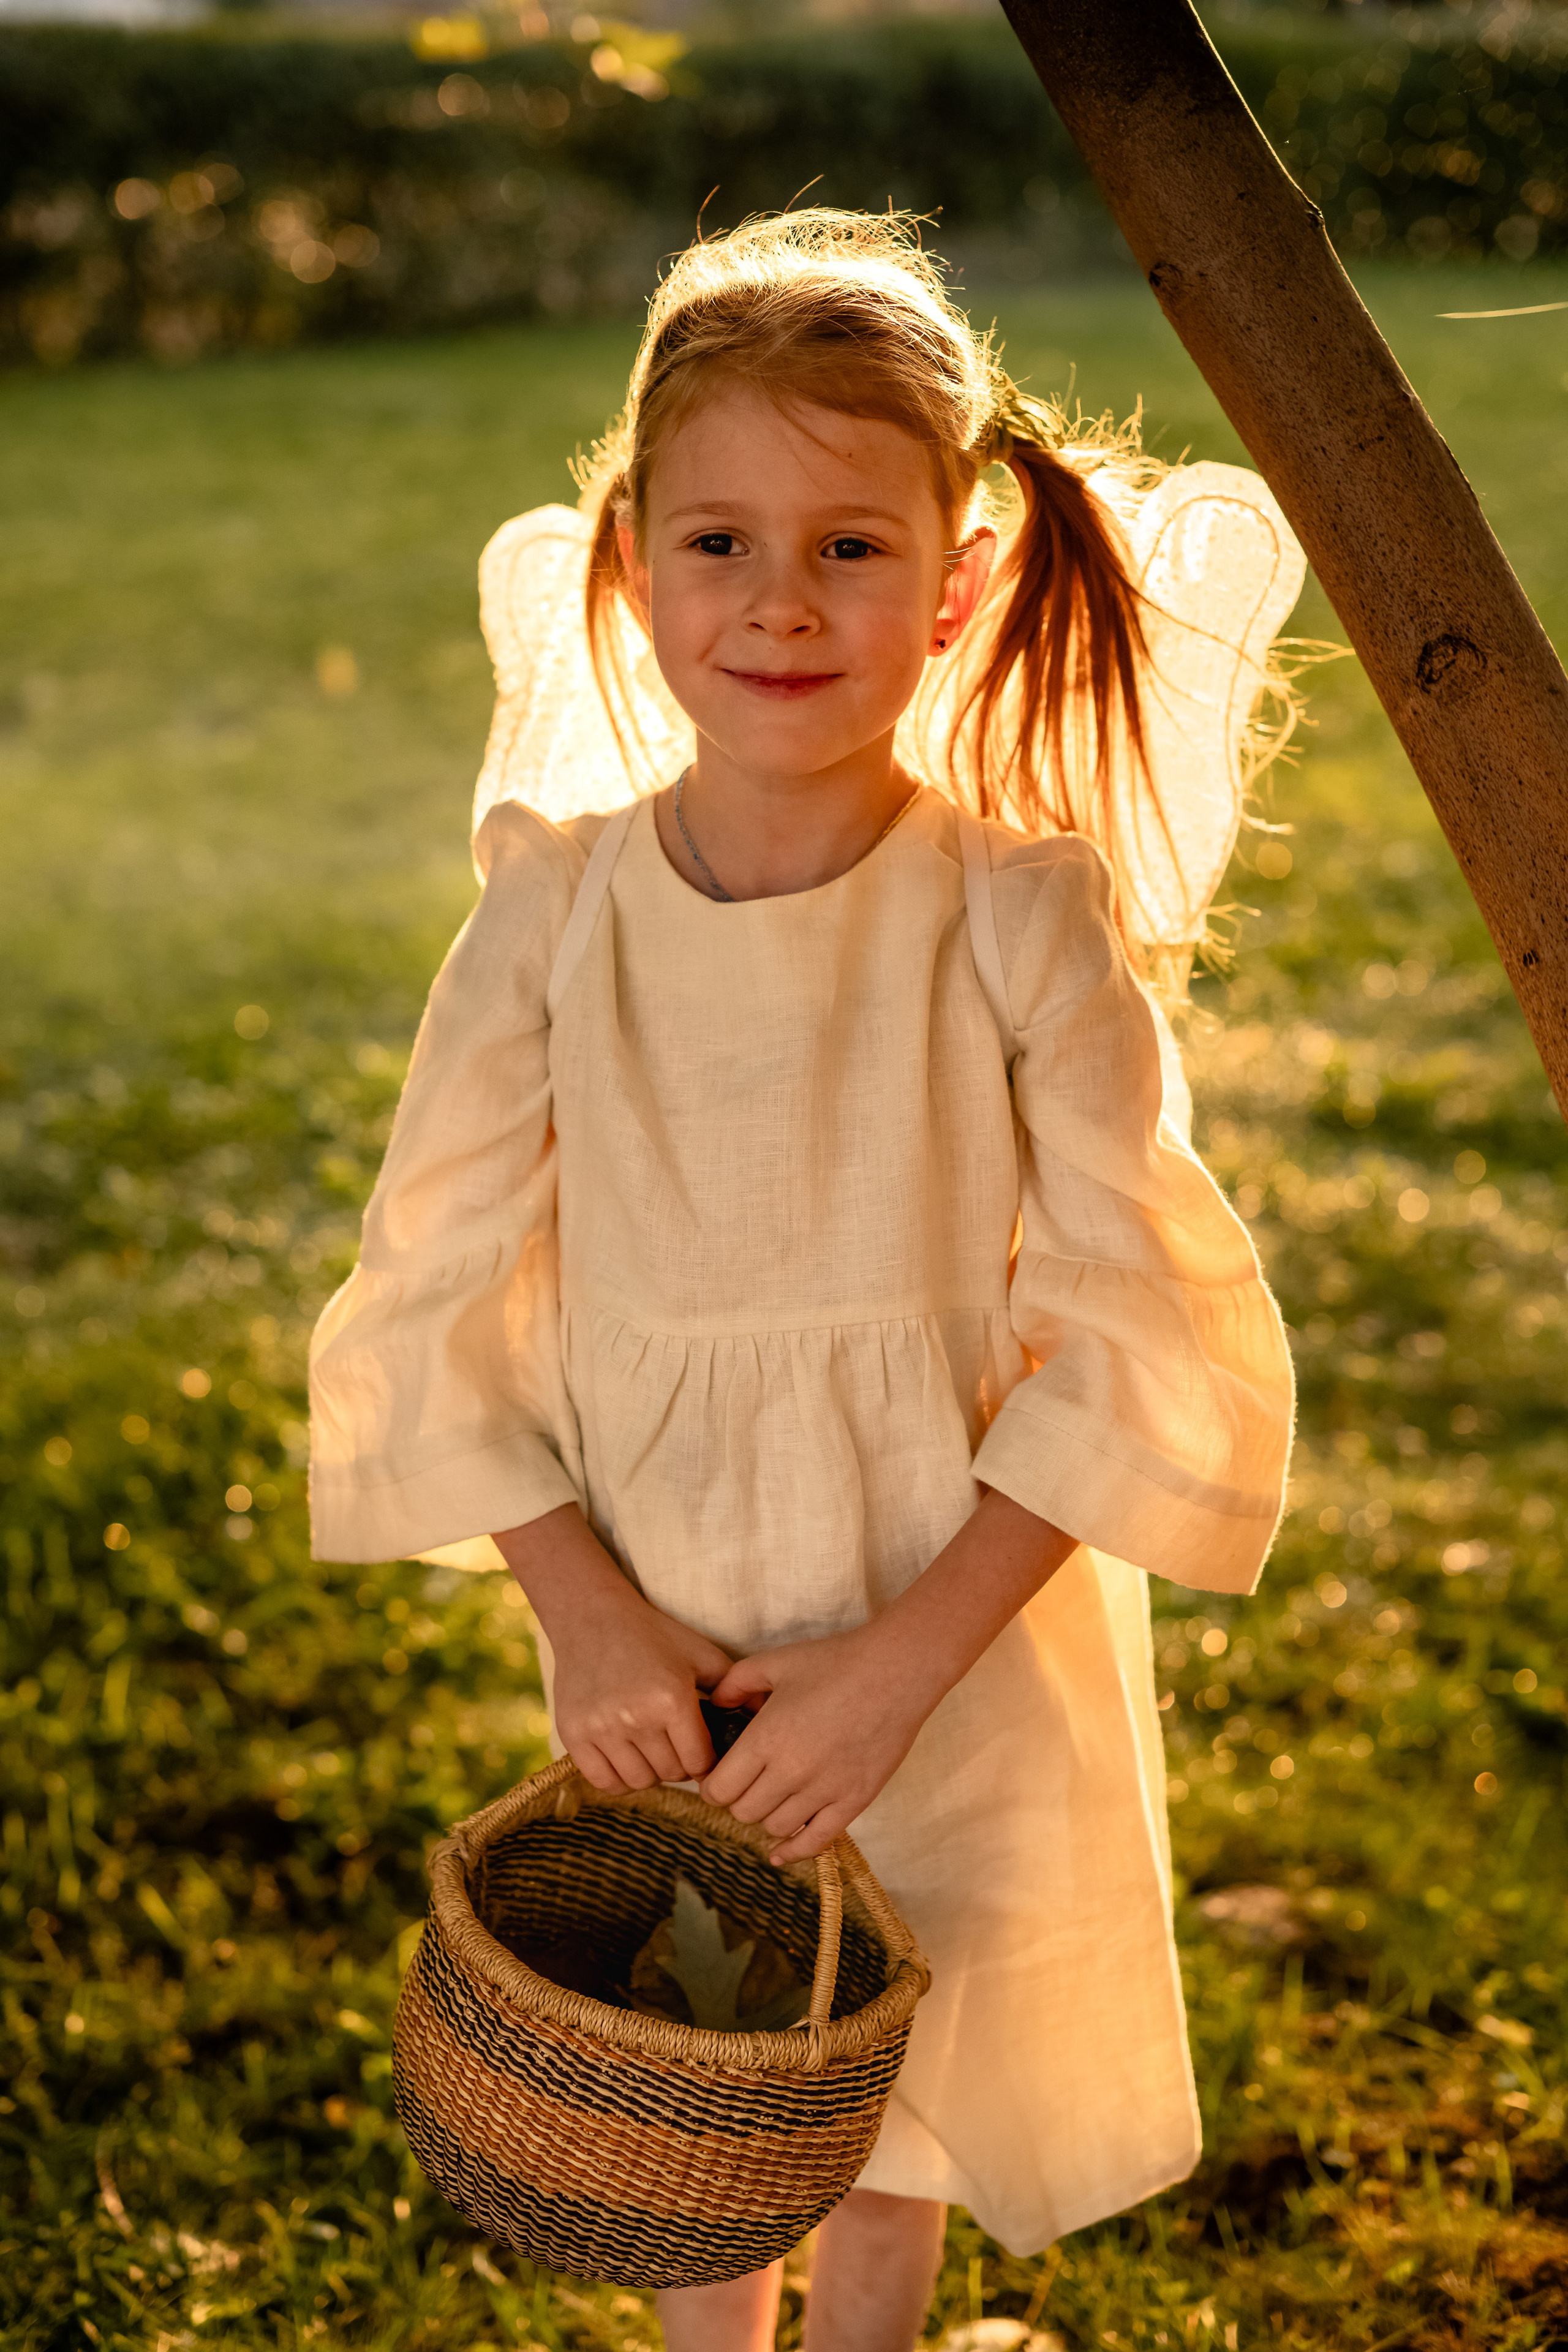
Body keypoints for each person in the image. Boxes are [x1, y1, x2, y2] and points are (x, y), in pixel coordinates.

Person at [309, 209, 1297, 2352]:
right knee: (702, 2046)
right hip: (667, 1611)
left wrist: (904, 1664)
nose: (778, 603)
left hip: (950, 1601)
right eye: (720, 542)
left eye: (852, 550)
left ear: (952, 589)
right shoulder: (551, 919)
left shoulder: (1020, 920)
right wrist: (580, 1604)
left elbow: (1140, 1331)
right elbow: (432, 1290)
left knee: (893, 2068)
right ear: (630, 568)